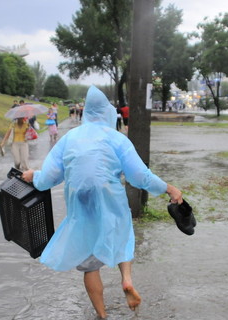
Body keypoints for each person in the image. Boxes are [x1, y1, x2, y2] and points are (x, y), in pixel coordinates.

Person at [21, 86, 183, 319]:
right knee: (122, 233)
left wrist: (32, 175)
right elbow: (140, 177)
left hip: (80, 201)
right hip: (110, 196)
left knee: (89, 262)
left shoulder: (69, 139)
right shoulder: (117, 139)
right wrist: (169, 188)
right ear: (107, 113)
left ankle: (102, 314)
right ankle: (126, 280)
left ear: (86, 112)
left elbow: (48, 178)